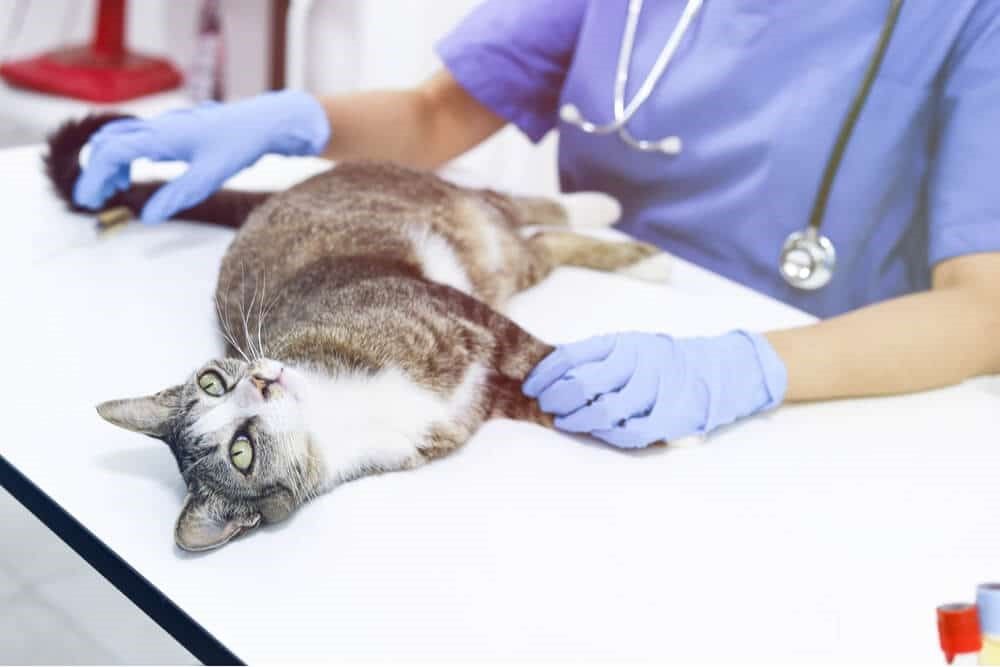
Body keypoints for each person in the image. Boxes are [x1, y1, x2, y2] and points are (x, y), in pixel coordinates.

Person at [73, 1, 1000, 449]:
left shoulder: (966, 19)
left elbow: (984, 309)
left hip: (828, 389)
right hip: (593, 334)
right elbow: (438, 114)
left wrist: (746, 368)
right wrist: (294, 119)